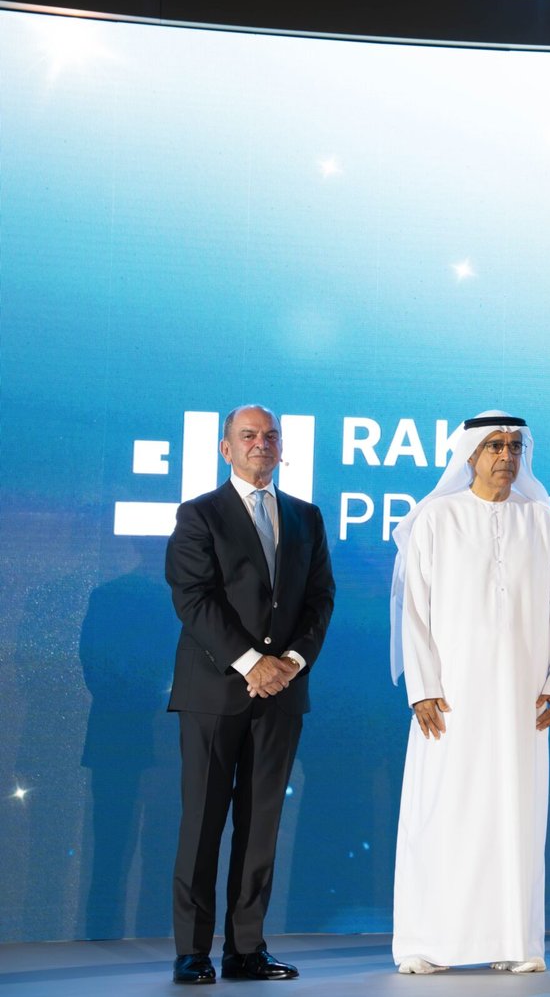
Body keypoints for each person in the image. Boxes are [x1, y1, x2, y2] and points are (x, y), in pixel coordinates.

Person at [388, 412, 550, 975]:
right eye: (494, 446)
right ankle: (431, 941)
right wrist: (422, 687)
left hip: (521, 701)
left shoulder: (541, 521)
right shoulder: (436, 518)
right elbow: (414, 610)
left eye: (514, 447)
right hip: (450, 700)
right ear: (470, 454)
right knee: (445, 811)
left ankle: (512, 941)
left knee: (513, 816)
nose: (506, 456)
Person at [166, 405, 335, 984]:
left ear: (281, 447)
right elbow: (192, 596)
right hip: (214, 692)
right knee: (203, 822)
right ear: (226, 448)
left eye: (270, 436)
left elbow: (320, 600)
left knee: (261, 825)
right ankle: (192, 951)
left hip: (282, 693)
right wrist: (250, 662)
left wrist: (290, 662)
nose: (261, 443)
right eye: (248, 435)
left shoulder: (307, 517)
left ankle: (245, 949)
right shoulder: (199, 514)